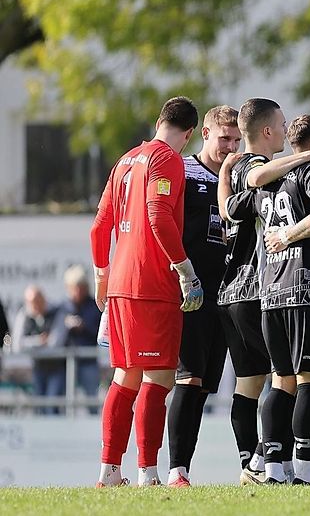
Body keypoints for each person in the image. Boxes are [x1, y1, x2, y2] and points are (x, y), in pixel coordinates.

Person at [224, 111, 310, 486]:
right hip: (309, 289)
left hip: (270, 294)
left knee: (282, 382)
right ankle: (305, 471)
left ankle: (272, 469)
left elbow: (230, 209)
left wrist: (222, 176)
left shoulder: (265, 179)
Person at [89, 96, 202, 487]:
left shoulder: (125, 160)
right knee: (159, 377)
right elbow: (158, 215)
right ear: (189, 134)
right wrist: (185, 270)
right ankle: (148, 473)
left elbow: (99, 226)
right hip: (151, 283)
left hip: (120, 284)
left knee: (126, 376)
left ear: (159, 120)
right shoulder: (168, 158)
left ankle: (109, 470)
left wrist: (102, 278)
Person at [165, 105, 241, 487]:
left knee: (206, 386)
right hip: (192, 290)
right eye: (224, 137)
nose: (230, 145)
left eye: (236, 139)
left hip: (228, 291)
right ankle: (175, 469)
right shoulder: (183, 170)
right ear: (205, 135)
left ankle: (186, 470)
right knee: (189, 379)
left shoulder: (244, 177)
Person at [51, 265, 102, 413]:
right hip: (65, 362)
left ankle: (95, 427)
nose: (78, 291)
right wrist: (64, 326)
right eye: (75, 287)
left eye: (81, 287)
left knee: (92, 398)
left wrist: (83, 326)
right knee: (64, 398)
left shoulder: (95, 306)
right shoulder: (62, 307)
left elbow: (100, 334)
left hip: (88, 362)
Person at [12, 285, 64, 415]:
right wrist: (38, 341)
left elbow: (54, 345)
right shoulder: (25, 314)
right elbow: (17, 345)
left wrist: (30, 345)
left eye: (37, 302)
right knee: (38, 408)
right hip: (38, 368)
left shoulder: (57, 312)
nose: (35, 306)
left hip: (57, 368)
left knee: (52, 406)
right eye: (32, 303)